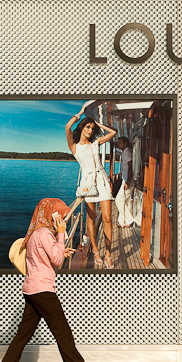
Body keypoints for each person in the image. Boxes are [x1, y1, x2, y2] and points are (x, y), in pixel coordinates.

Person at [0, 198, 97, 362]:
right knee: (63, 334)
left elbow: (45, 256)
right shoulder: (46, 234)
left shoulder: (34, 234)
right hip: (43, 291)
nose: (62, 218)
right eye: (60, 215)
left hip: (31, 290)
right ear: (51, 215)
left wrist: (60, 248)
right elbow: (56, 260)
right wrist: (61, 234)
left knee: (22, 336)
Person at [65, 105, 117, 268]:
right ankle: (95, 250)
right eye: (87, 127)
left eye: (92, 128)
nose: (90, 130)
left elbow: (113, 133)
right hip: (88, 185)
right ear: (81, 127)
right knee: (91, 219)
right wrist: (80, 114)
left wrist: (97, 123)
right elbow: (67, 127)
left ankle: (108, 254)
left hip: (102, 182)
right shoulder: (74, 146)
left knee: (108, 218)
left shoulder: (96, 142)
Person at [114, 137, 136, 228]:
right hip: (125, 179)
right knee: (124, 201)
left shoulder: (127, 153)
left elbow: (130, 167)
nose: (118, 144)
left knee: (118, 200)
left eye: (120, 143)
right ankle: (122, 222)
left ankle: (129, 220)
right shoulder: (125, 152)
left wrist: (128, 181)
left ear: (125, 144)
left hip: (128, 180)